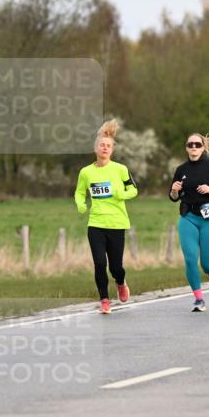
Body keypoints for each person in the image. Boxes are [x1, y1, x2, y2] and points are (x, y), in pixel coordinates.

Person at [74, 119, 138, 314]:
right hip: (96, 223)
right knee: (100, 263)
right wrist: (80, 204)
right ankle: (104, 299)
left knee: (116, 267)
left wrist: (122, 194)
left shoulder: (120, 169)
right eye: (102, 145)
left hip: (117, 223)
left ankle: (120, 282)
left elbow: (133, 190)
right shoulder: (86, 172)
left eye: (108, 146)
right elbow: (79, 192)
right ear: (96, 148)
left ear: (112, 149)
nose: (105, 148)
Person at [169, 125, 209, 312]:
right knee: (190, 259)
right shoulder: (181, 169)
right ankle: (198, 299)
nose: (193, 147)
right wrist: (174, 190)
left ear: (203, 147)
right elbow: (173, 197)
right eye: (190, 144)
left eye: (197, 144)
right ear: (186, 148)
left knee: (207, 262)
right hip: (188, 217)